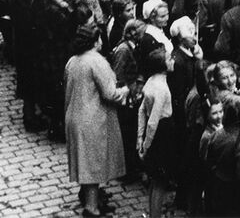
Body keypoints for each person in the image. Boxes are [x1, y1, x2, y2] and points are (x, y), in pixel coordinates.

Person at [63, 18, 127, 217]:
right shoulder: (97, 61)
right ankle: (91, 208)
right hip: (92, 120)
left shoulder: (72, 60)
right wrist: (125, 91)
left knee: (85, 162)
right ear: (96, 40)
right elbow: (110, 93)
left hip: (74, 117)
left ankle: (91, 199)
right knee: (93, 164)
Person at [136, 46, 173, 218]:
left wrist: (140, 138)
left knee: (155, 179)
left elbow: (141, 111)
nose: (173, 61)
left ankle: (152, 214)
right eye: (169, 59)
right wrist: (146, 146)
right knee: (160, 181)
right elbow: (153, 121)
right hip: (162, 132)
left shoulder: (150, 81)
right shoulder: (162, 88)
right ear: (162, 65)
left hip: (156, 133)